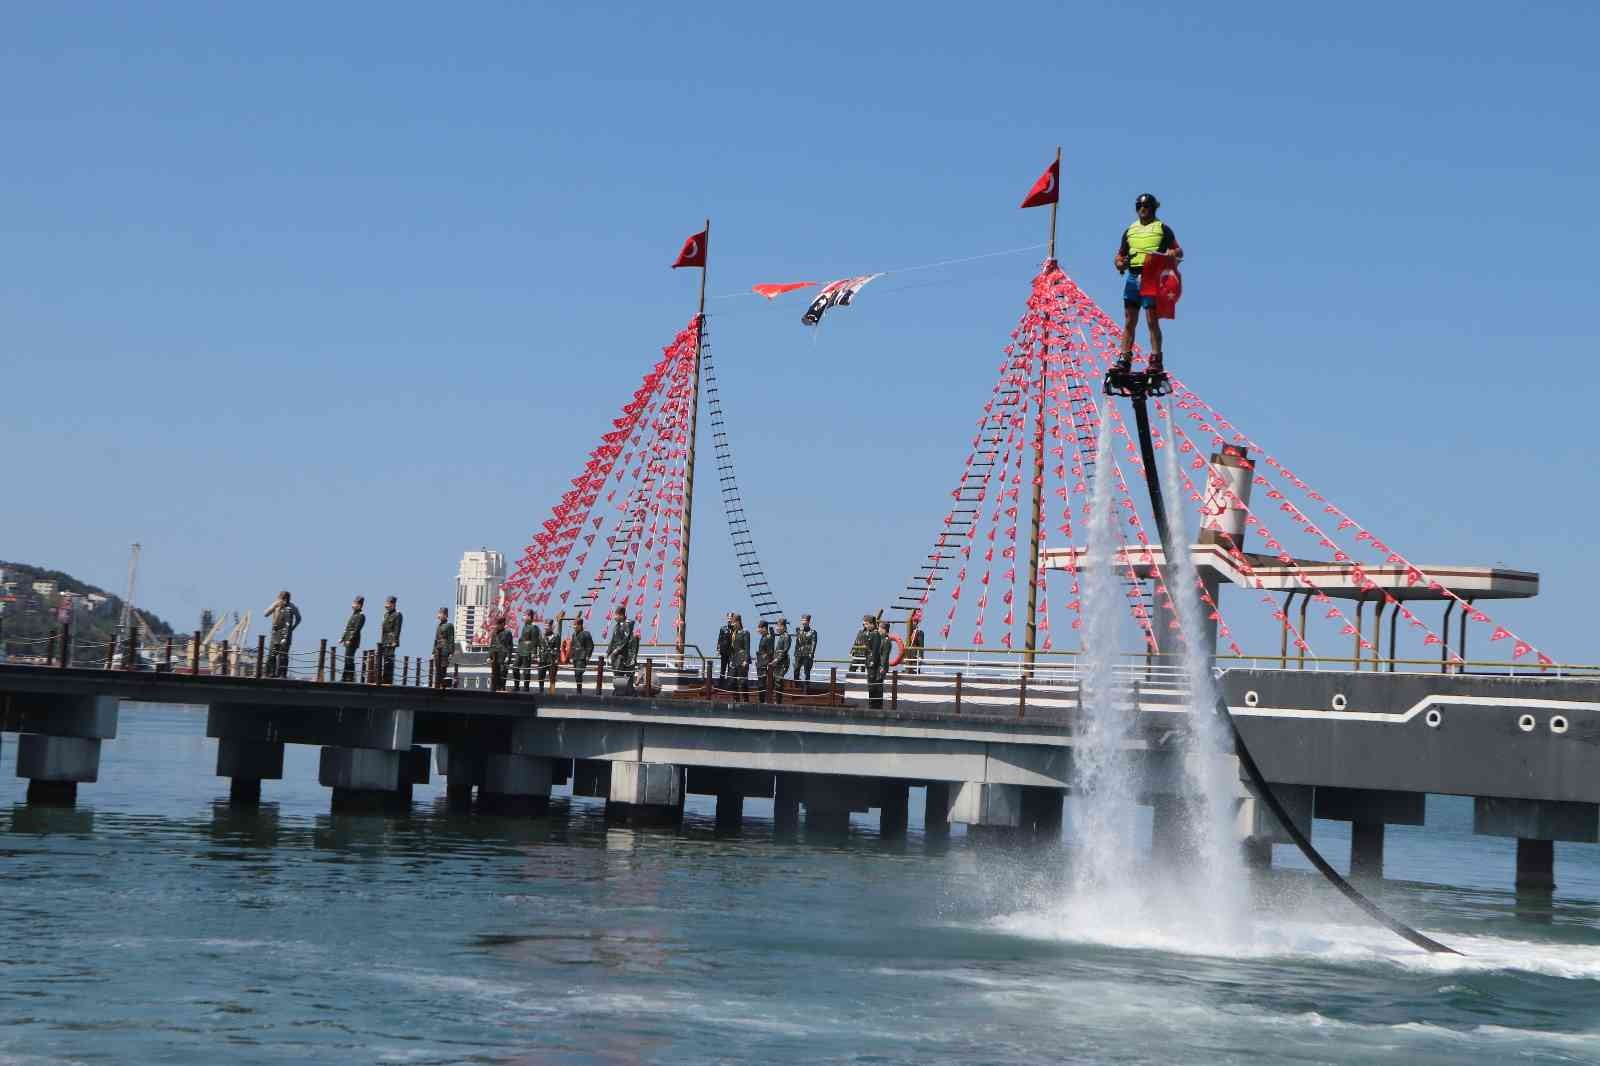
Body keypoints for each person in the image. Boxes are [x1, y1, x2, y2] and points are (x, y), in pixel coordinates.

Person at [1112, 192, 1183, 377]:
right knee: (1129, 320)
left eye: (1147, 206)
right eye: (1140, 206)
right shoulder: (1130, 230)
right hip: (1133, 276)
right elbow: (1119, 255)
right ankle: (1125, 357)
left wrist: (1171, 254)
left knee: (1151, 320)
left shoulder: (1162, 229)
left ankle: (1155, 358)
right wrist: (1120, 263)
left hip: (1151, 277)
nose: (1143, 210)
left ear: (1153, 208)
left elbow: (1178, 251)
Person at [263, 590, 300, 678]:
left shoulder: (292, 606)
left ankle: (282, 674)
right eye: (282, 598)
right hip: (275, 632)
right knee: (272, 653)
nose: (284, 601)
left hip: (286, 633)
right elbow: (265, 614)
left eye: (285, 599)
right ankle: (271, 673)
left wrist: (292, 628)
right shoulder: (276, 604)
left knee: (283, 654)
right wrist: (275, 605)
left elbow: (299, 618)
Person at [607, 605, 637, 692]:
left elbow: (625, 640)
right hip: (616, 655)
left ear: (621, 615)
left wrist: (616, 651)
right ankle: (618, 690)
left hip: (625, 655)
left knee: (625, 674)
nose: (614, 617)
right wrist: (609, 651)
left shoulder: (626, 625)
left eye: (616, 615)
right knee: (617, 673)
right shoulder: (616, 626)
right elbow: (613, 640)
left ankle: (627, 691)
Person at [339, 595, 365, 682]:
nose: (353, 605)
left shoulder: (361, 616)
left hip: (353, 641)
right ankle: (346, 677)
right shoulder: (353, 615)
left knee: (349, 659)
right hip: (347, 640)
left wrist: (350, 639)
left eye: (355, 603)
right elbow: (347, 628)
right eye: (353, 603)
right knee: (347, 658)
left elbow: (356, 629)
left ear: (360, 605)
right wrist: (342, 638)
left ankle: (349, 677)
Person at [514, 610, 542, 691]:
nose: (523, 617)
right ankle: (516, 686)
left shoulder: (534, 627)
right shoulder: (525, 626)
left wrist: (534, 653)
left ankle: (526, 688)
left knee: (526, 671)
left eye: (524, 615)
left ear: (529, 617)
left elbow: (534, 641)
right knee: (515, 668)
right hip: (520, 650)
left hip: (527, 651)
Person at [863, 616, 887, 708]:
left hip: (872, 664)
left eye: (866, 624)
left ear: (872, 624)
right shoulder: (869, 634)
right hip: (869, 663)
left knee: (873, 686)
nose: (865, 626)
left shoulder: (875, 634)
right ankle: (872, 703)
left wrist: (872, 662)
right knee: (871, 686)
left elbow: (875, 650)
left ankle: (875, 705)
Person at [378, 596, 403, 685]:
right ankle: (384, 678)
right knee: (384, 659)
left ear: (393, 604)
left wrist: (394, 641)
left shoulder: (397, 614)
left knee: (389, 660)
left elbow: (397, 629)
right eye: (386, 603)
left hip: (391, 641)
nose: (386, 605)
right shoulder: (386, 614)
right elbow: (384, 629)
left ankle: (388, 680)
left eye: (388, 604)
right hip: (384, 640)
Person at [569, 616, 595, 693]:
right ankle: (578, 689)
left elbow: (590, 646)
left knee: (578, 672)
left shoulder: (586, 634)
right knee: (576, 675)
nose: (574, 627)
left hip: (582, 657)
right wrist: (571, 656)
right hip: (575, 657)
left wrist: (588, 656)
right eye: (573, 625)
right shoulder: (574, 635)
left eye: (575, 625)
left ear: (580, 625)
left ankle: (579, 691)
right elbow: (572, 646)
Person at [488, 616, 513, 692]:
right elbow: (491, 645)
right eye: (497, 624)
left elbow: (509, 646)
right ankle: (494, 690)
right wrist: (489, 656)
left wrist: (508, 657)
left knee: (502, 674)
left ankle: (502, 689)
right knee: (494, 674)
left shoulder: (507, 633)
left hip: (503, 656)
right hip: (495, 657)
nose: (497, 626)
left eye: (499, 624)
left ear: (503, 624)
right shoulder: (494, 633)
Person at [727, 613, 750, 695]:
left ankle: (745, 700)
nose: (732, 624)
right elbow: (732, 647)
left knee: (742, 682)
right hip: (734, 659)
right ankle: (736, 700)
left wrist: (746, 660)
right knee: (732, 681)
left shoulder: (745, 632)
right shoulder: (734, 633)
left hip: (742, 659)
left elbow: (747, 647)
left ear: (738, 622)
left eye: (733, 622)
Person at [432, 607, 454, 689]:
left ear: (445, 615)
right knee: (437, 668)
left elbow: (451, 639)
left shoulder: (449, 625)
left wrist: (451, 652)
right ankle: (437, 685)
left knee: (443, 668)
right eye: (439, 613)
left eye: (440, 613)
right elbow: (436, 639)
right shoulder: (439, 626)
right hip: (438, 649)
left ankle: (442, 685)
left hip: (445, 650)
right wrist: (433, 651)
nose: (438, 615)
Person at [793, 614, 818, 682]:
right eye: (802, 620)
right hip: (799, 653)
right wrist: (795, 653)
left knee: (806, 671)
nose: (803, 622)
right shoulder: (799, 631)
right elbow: (797, 643)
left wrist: (811, 654)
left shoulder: (813, 632)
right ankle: (796, 683)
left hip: (807, 654)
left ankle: (806, 685)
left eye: (805, 620)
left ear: (808, 622)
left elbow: (814, 644)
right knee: (796, 669)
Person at [538, 617, 559, 692]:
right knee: (541, 675)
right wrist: (538, 656)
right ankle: (541, 690)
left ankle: (552, 691)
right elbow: (539, 646)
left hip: (551, 659)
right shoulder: (541, 636)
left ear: (551, 627)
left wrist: (556, 659)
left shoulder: (556, 637)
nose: (546, 627)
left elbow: (557, 649)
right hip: (543, 658)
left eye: (548, 626)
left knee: (552, 677)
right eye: (545, 625)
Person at [754, 620, 775, 698]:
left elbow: (770, 652)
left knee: (762, 684)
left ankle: (763, 700)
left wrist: (764, 661)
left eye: (759, 628)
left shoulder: (768, 638)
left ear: (764, 628)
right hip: (760, 663)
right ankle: (761, 700)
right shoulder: (763, 637)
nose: (758, 630)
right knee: (760, 683)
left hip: (764, 664)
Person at [772, 618, 793, 689]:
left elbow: (785, 650)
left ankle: (778, 700)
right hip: (778, 662)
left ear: (783, 627)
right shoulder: (781, 636)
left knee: (778, 680)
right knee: (774, 680)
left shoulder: (786, 636)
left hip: (783, 662)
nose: (777, 628)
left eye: (778, 627)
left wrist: (777, 659)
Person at [905, 610, 925, 675]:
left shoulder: (919, 632)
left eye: (914, 621)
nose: (913, 623)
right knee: (908, 667)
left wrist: (921, 656)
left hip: (915, 654)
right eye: (912, 621)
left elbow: (921, 645)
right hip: (908, 654)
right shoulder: (909, 632)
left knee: (915, 670)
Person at [716, 613, 734, 682]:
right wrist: (718, 649)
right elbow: (719, 639)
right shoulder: (723, 628)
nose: (729, 620)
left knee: (730, 668)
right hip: (724, 651)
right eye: (728, 618)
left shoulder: (735, 629)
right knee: (723, 668)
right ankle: (721, 682)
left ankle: (729, 683)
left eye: (730, 618)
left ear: (733, 619)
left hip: (731, 652)